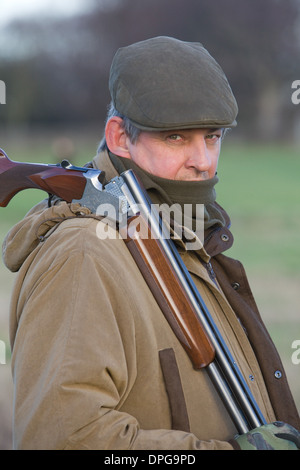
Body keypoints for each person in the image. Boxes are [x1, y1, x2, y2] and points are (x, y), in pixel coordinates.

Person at [3, 36, 300, 450]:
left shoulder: (176, 231)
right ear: (120, 137)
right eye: (176, 137)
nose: (204, 161)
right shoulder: (84, 253)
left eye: (212, 136)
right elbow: (59, 439)